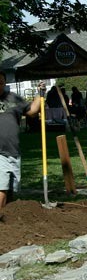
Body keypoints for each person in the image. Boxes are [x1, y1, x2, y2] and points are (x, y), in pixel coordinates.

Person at [0, 72, 44, 211]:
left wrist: (40, 93)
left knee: (11, 190)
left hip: (13, 151)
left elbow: (32, 111)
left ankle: (8, 223)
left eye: (0, 82)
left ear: (4, 83)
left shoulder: (13, 98)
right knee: (1, 188)